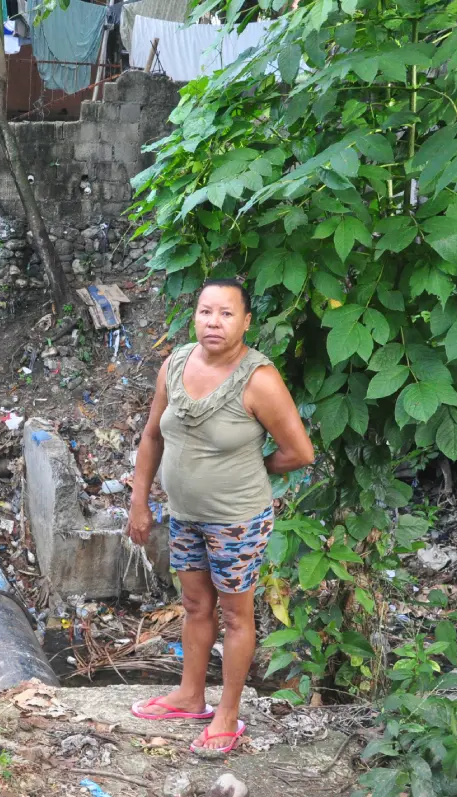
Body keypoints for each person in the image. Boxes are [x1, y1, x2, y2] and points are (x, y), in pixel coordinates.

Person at [126, 278, 314, 754]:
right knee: (194, 605)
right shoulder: (175, 363)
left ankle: (227, 715)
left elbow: (299, 452)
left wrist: (250, 469)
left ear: (246, 322)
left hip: (236, 520)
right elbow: (153, 436)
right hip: (184, 514)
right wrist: (139, 499)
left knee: (235, 614)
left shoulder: (259, 380)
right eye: (206, 311)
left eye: (227, 314)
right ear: (195, 315)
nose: (214, 321)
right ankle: (191, 696)